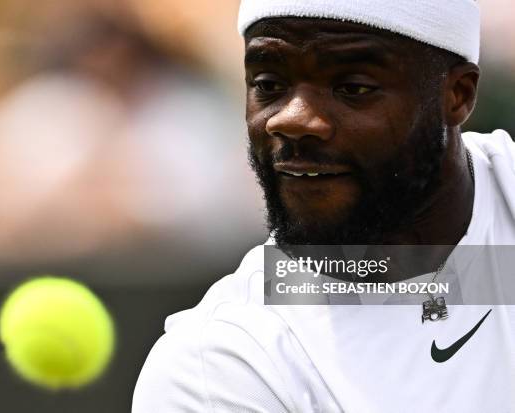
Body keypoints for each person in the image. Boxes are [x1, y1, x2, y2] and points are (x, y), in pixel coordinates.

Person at [132, 1, 515, 411]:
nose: (291, 120)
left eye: (352, 87)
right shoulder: (219, 368)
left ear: (457, 95)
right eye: (267, 84)